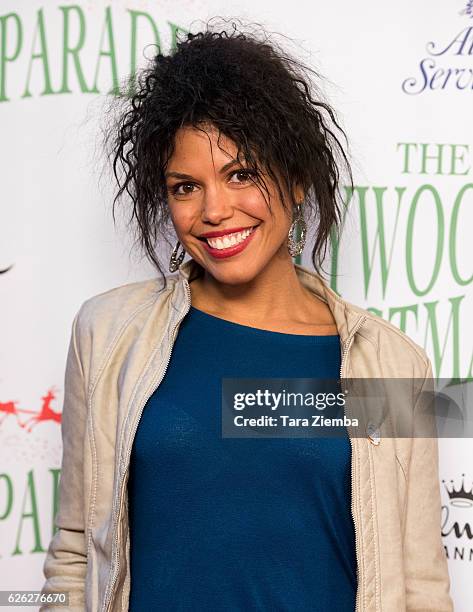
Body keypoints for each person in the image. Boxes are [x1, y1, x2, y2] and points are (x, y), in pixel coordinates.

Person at [40, 19, 453, 612]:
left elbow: (418, 583)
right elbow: (78, 547)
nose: (215, 209)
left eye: (241, 175)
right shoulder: (108, 334)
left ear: (300, 178)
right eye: (185, 186)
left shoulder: (386, 360)